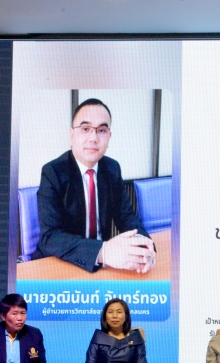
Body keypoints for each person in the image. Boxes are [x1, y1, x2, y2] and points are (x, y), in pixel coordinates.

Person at [33, 98, 156, 273]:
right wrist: (103, 251)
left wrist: (144, 246)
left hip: (102, 267)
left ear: (109, 137)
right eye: (85, 129)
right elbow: (50, 237)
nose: (93, 138)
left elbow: (127, 217)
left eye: (101, 130)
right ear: (72, 134)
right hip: (60, 264)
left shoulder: (112, 169)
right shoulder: (53, 172)